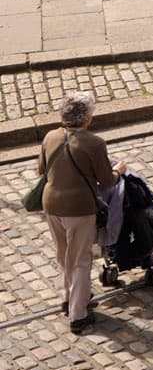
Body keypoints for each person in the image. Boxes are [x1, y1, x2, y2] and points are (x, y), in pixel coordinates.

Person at [38, 93, 120, 332]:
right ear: (87, 119)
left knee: (65, 256)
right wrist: (120, 171)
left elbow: (41, 169)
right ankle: (78, 314)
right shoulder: (94, 143)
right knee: (81, 259)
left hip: (51, 205)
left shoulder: (50, 136)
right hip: (79, 208)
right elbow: (106, 181)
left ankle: (69, 298)